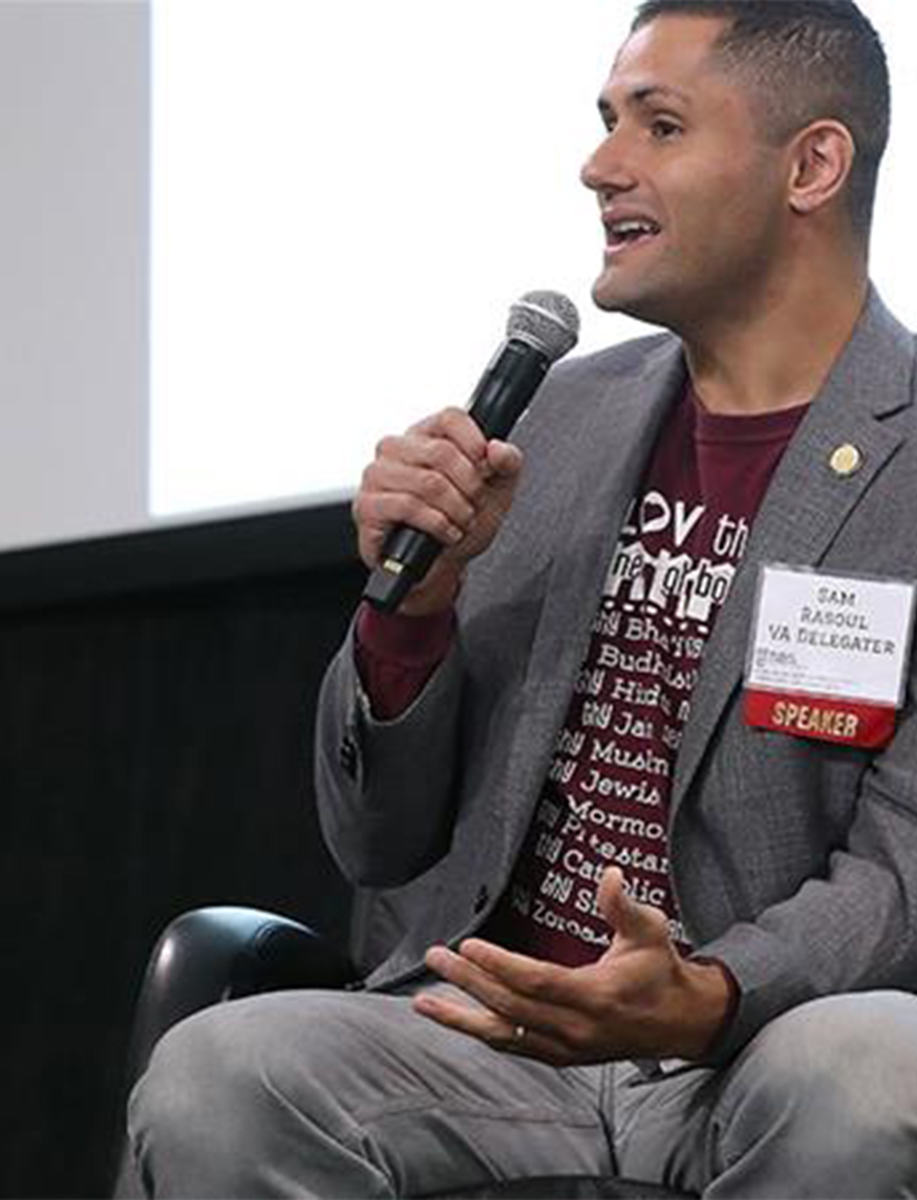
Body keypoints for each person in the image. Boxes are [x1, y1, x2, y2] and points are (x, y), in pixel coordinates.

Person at [127, 2, 917, 1194]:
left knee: (870, 1070)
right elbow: (379, 840)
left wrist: (707, 996)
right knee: (219, 1073)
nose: (601, 166)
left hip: (754, 1044)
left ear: (811, 165)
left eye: (660, 125)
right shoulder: (558, 416)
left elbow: (902, 872)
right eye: (606, 124)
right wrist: (411, 618)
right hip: (491, 1040)